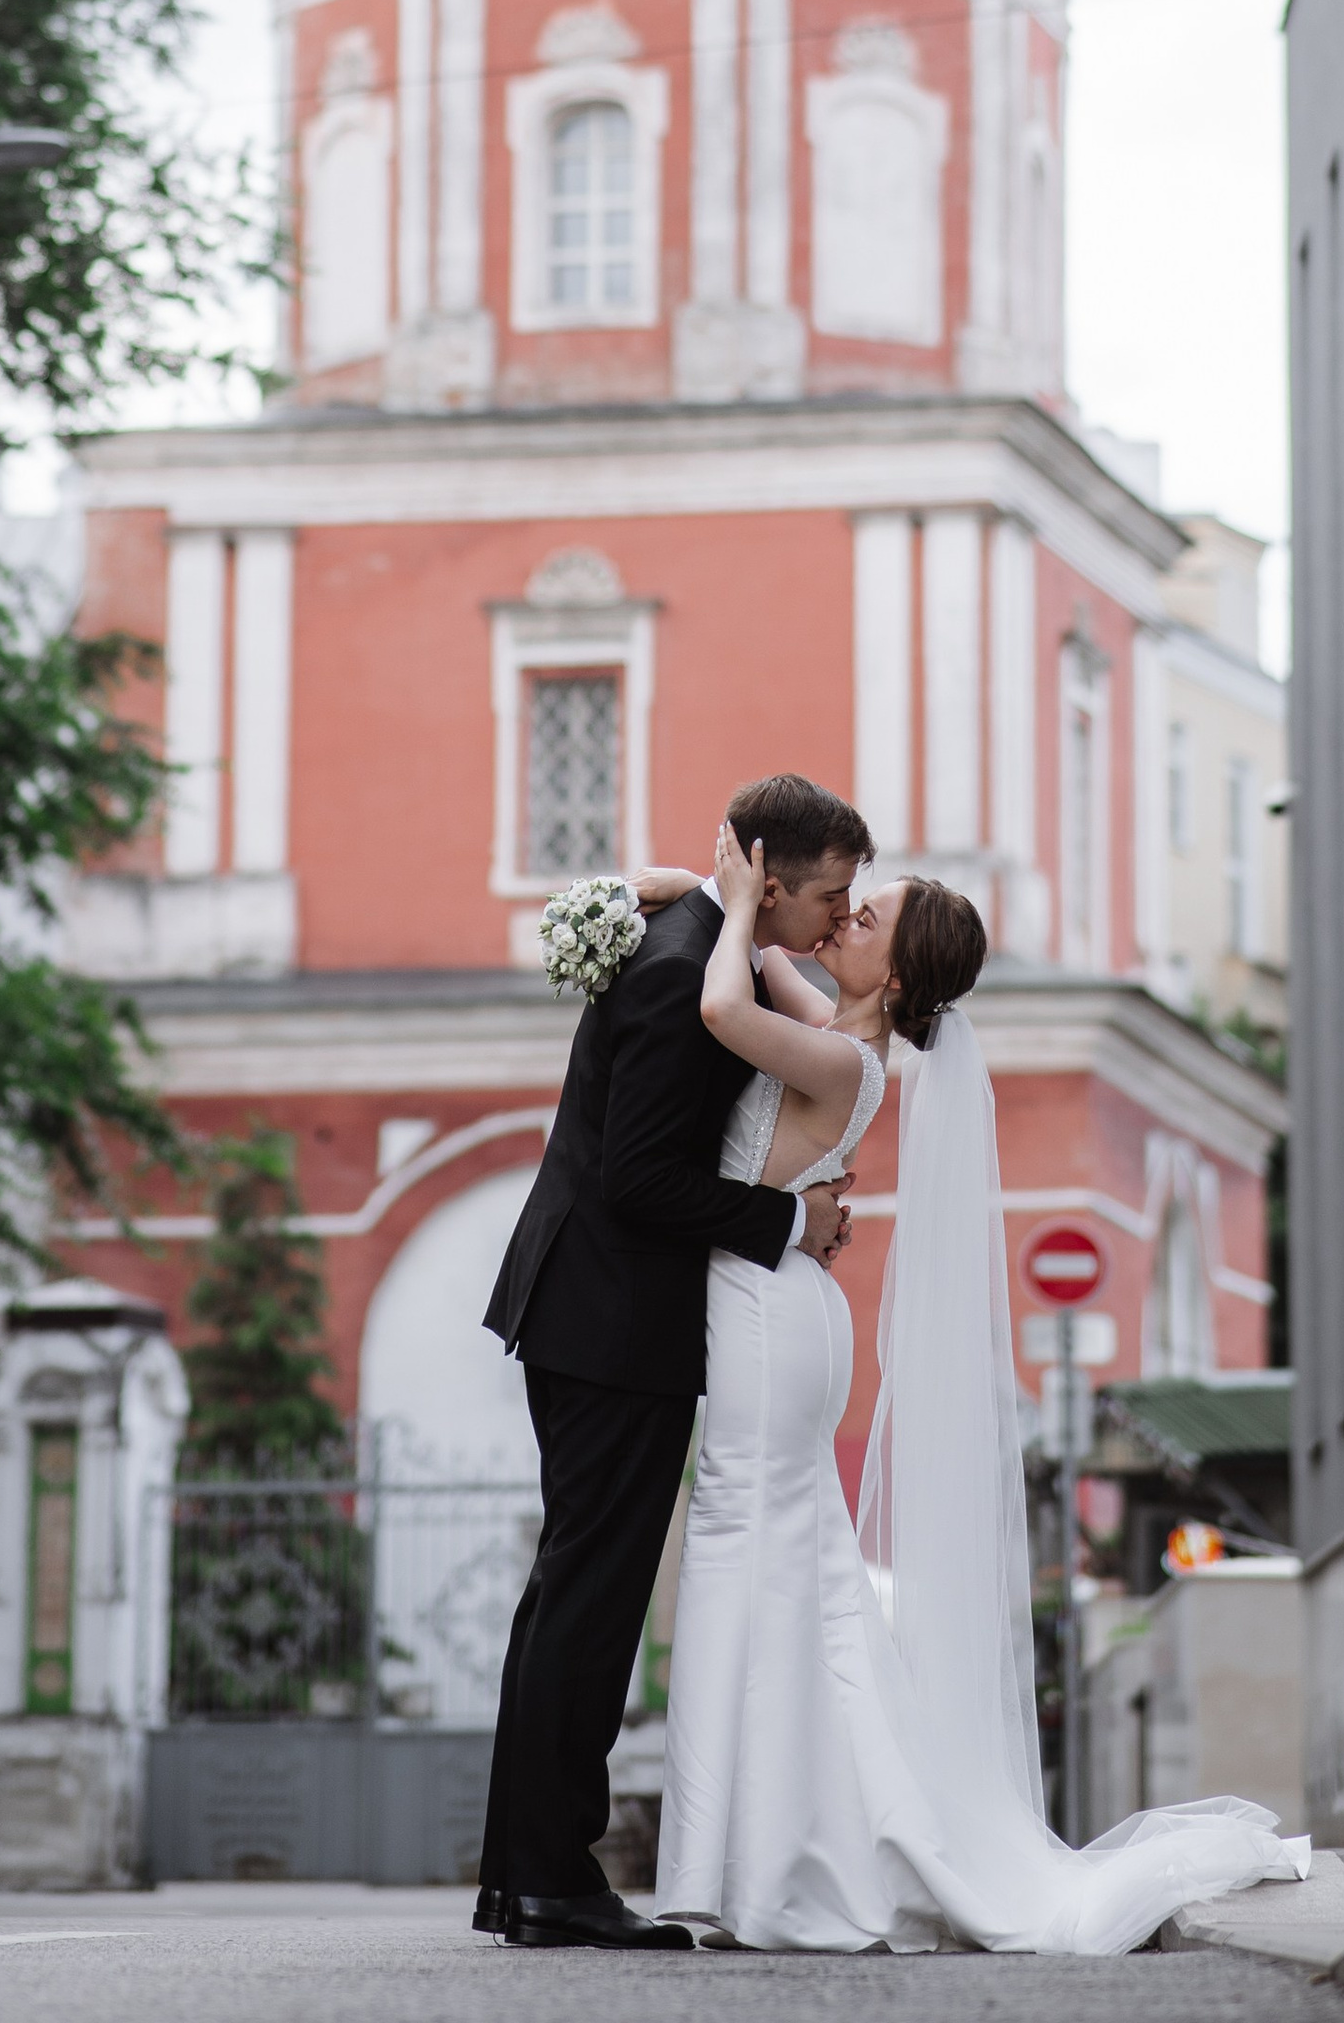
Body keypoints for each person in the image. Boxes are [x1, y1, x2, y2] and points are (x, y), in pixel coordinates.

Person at [650, 821, 1308, 1954]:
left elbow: (719, 1008)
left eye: (868, 915)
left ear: (895, 975)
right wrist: (699, 890)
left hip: (770, 1312)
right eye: (849, 904)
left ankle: (765, 1856)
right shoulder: (838, 1029)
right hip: (782, 1304)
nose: (843, 916)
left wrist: (732, 896)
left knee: (752, 1550)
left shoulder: (841, 1056)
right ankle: (782, 1847)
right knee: (793, 1570)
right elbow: (757, 959)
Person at [473, 772, 869, 1953]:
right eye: (826, 896)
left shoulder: (709, 941)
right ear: (766, 870)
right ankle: (551, 1876)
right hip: (606, 1321)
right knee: (589, 1602)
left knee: (569, 1594)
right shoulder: (673, 972)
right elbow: (642, 1177)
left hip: (603, 1315)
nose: (832, 921)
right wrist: (793, 1225)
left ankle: (524, 1875)